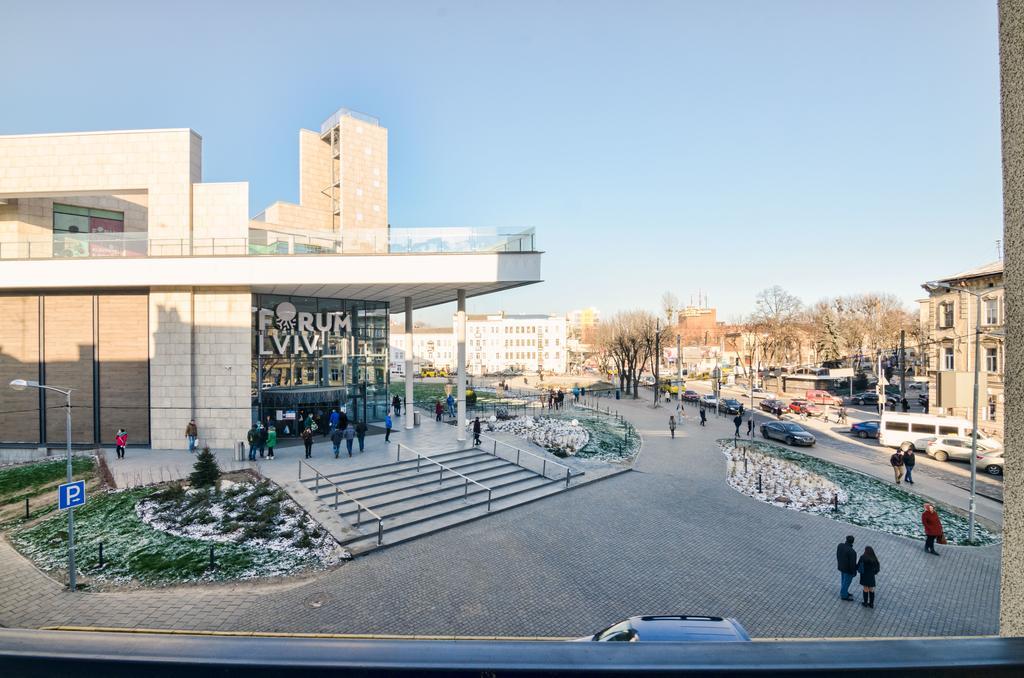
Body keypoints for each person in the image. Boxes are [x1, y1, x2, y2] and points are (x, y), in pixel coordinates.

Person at [836, 535, 858, 601]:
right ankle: (844, 595)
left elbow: (838, 555)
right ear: (853, 542)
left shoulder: (840, 545)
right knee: (847, 582)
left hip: (841, 567)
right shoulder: (852, 552)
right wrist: (854, 572)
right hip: (848, 570)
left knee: (843, 580)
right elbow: (852, 564)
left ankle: (845, 592)